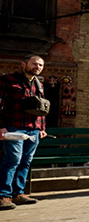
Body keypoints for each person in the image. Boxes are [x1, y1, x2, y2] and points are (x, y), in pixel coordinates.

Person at [0, 54, 48, 210]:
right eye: (34, 64)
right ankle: (3, 195)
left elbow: (41, 109)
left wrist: (42, 128)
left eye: (40, 65)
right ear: (23, 64)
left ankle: (18, 194)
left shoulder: (39, 84)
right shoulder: (8, 80)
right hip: (13, 126)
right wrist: (1, 126)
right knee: (12, 159)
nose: (37, 67)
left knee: (26, 161)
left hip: (33, 129)